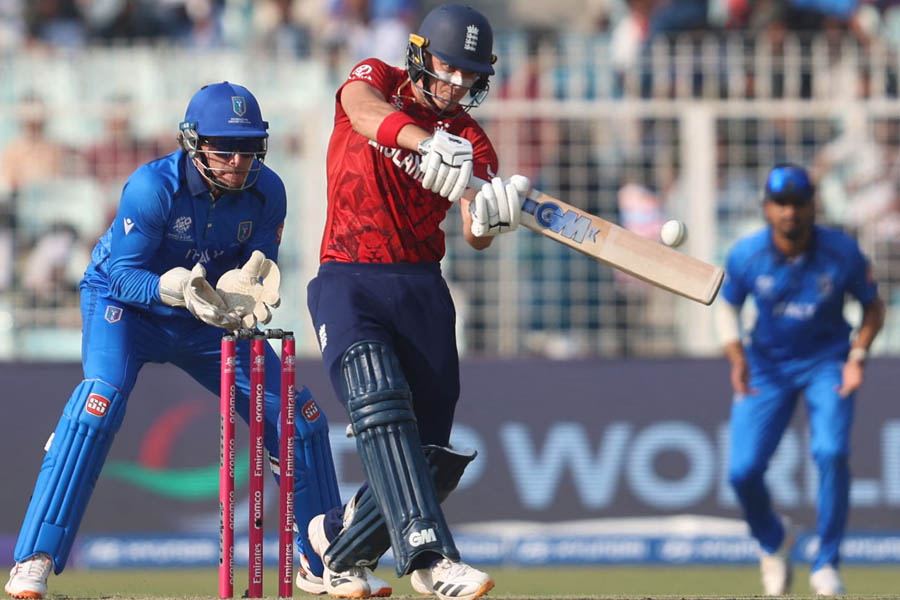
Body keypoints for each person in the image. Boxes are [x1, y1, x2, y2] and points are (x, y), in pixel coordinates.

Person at [3, 82, 360, 599]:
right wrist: (171, 290)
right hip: (127, 308)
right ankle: (33, 560)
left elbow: (256, 266)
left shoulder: (269, 191)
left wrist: (246, 289)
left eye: (248, 147)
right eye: (223, 147)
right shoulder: (153, 187)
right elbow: (122, 276)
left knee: (297, 417)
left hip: (207, 317)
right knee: (96, 406)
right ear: (193, 142)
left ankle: (325, 558)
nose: (238, 161)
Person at [304, 4, 531, 600]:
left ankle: (333, 545)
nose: (457, 83)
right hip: (348, 277)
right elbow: (361, 110)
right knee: (380, 404)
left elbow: (476, 233)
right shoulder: (376, 77)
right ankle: (431, 559)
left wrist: (489, 216)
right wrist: (422, 141)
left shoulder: (475, 142)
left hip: (423, 288)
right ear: (420, 53)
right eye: (448, 67)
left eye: (469, 75)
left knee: (427, 457)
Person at [716, 163, 885, 597]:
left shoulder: (842, 252)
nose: (790, 213)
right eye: (781, 204)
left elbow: (873, 306)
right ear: (767, 209)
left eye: (799, 203)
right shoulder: (746, 254)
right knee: (742, 471)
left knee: (830, 452)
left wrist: (858, 357)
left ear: (814, 205)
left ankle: (826, 563)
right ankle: (773, 541)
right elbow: (726, 306)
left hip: (827, 361)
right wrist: (736, 355)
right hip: (766, 365)